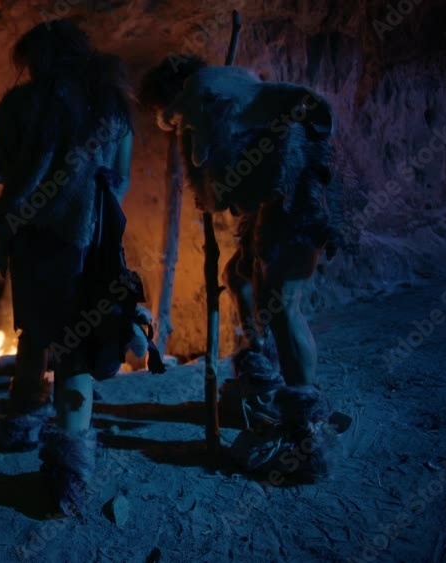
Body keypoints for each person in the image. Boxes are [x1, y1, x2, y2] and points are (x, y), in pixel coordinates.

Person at [140, 54, 343, 479]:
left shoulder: (202, 93)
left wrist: (199, 163)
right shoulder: (231, 87)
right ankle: (265, 379)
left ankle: (305, 430)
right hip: (283, 194)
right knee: (239, 275)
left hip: (296, 194)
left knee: (284, 307)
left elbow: (214, 178)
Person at [0, 19, 135, 515]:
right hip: (89, 241)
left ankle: (23, 420)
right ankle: (71, 472)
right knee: (76, 348)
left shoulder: (21, 104)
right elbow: (121, 177)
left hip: (33, 239)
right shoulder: (110, 104)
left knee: (32, 330)